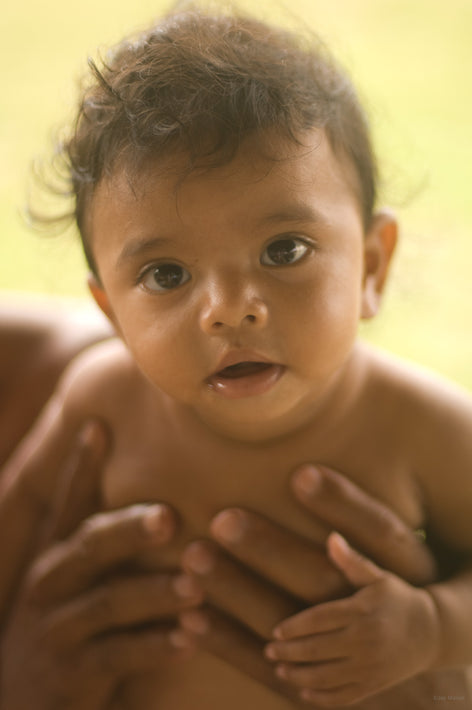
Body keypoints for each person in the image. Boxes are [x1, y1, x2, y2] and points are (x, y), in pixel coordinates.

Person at [6, 5, 472, 708]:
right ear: (113, 315)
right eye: (166, 275)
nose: (230, 309)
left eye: (283, 250)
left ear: (373, 267)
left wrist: (436, 626)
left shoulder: (419, 426)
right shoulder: (97, 402)